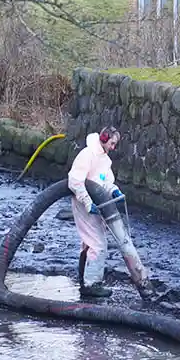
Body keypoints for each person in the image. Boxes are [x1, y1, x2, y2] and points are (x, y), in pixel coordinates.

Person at [69, 126, 124, 298]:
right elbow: (75, 180)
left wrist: (114, 190)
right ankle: (92, 284)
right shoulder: (88, 154)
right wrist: (87, 202)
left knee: (89, 242)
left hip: (97, 203)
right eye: (112, 143)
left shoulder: (104, 159)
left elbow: (103, 180)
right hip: (83, 203)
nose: (113, 148)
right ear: (104, 137)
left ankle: (83, 280)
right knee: (98, 244)